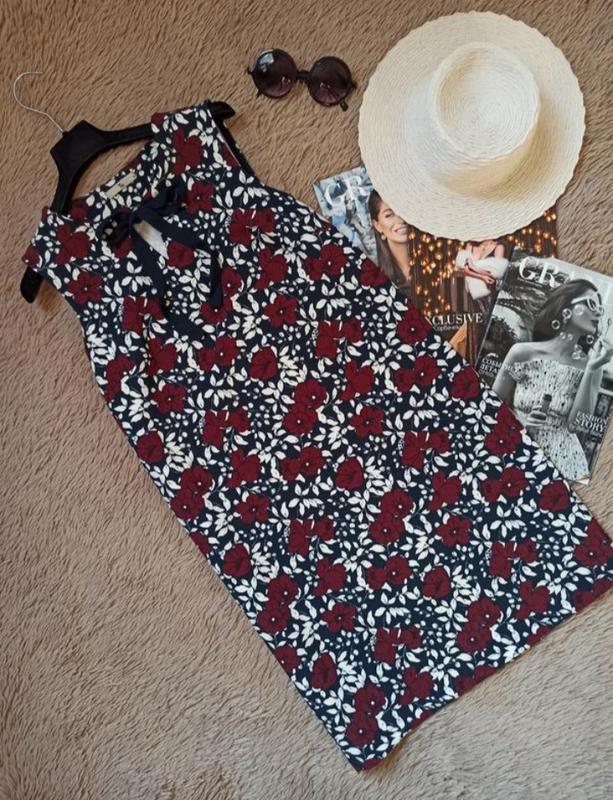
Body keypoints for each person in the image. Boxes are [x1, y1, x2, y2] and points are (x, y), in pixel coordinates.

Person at [493, 279, 613, 481]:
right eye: (591, 304)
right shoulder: (522, 353)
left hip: (566, 462)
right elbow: (492, 405)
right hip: (516, 448)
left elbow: (576, 425)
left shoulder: (592, 366)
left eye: (600, 308)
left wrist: (592, 369)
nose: (598, 313)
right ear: (566, 309)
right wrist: (521, 423)